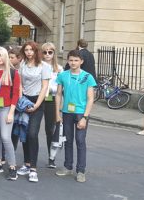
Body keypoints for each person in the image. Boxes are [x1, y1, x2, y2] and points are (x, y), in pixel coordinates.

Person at [55, 50, 97, 183]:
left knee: (80, 141)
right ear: (68, 61)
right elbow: (58, 94)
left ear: (81, 62)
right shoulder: (62, 75)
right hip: (67, 112)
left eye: (76, 60)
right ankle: (68, 166)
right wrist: (57, 113)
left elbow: (90, 98)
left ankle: (80, 171)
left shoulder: (87, 77)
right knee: (68, 140)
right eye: (71, 60)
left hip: (80, 113)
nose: (73, 63)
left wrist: (85, 117)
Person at [15, 41, 51, 183]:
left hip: (37, 100)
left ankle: (33, 169)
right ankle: (27, 163)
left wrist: (36, 105)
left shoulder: (45, 67)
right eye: (27, 50)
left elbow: (44, 88)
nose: (29, 52)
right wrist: (20, 100)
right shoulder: (22, 65)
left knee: (32, 133)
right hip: (24, 100)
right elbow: (20, 84)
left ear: (36, 51)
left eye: (31, 50)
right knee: (24, 131)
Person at [0, 46, 21, 181]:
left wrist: (12, 112)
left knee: (6, 137)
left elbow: (16, 93)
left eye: (0, 55)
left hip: (7, 107)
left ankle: (12, 167)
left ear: (6, 56)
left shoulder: (13, 72)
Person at [41, 42, 64, 168]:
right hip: (39, 98)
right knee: (31, 130)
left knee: (50, 129)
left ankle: (51, 157)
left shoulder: (59, 69)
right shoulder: (38, 66)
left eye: (50, 52)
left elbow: (60, 89)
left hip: (51, 99)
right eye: (45, 52)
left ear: (54, 53)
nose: (47, 54)